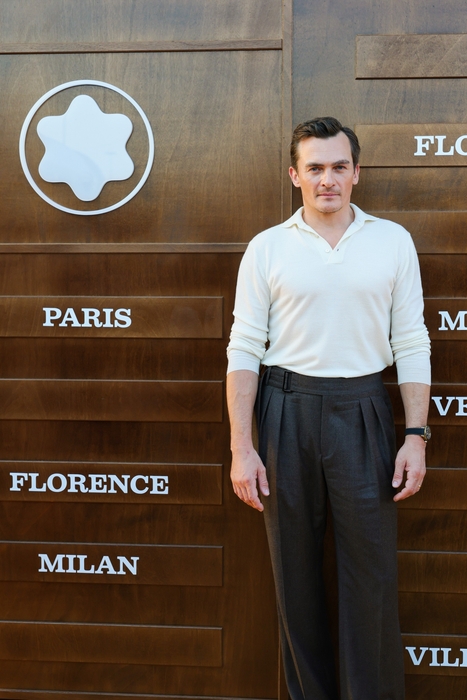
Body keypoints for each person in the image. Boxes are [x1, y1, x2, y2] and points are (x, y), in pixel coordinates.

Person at [226, 117, 430, 700]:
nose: (328, 179)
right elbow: (244, 348)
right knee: (294, 577)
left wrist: (415, 435)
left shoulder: (393, 241)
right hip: (285, 412)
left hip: (363, 409)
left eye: (339, 167)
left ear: (356, 173)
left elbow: (411, 340)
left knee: (371, 576)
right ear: (295, 176)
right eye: (314, 168)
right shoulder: (267, 248)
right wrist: (242, 447)